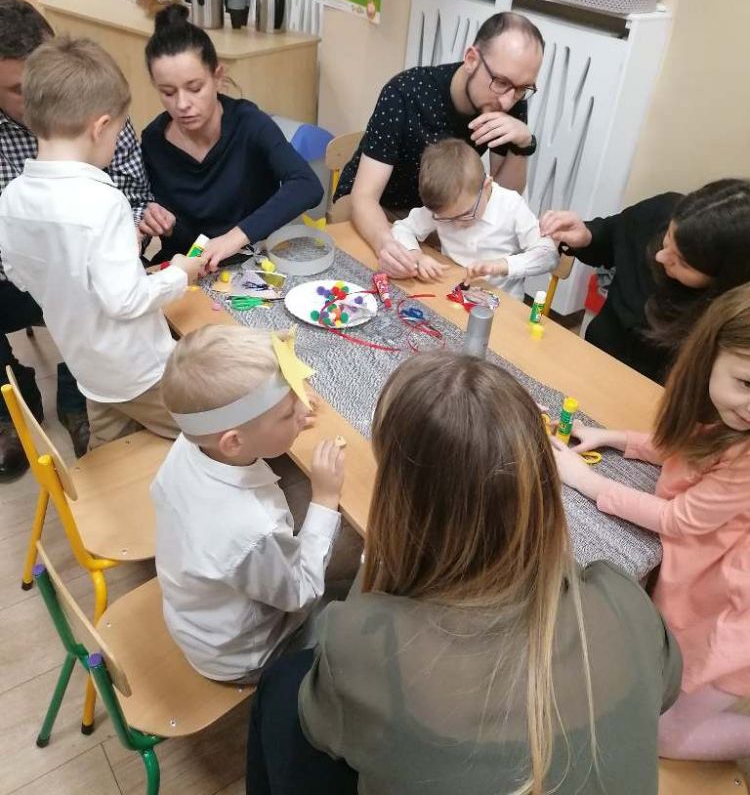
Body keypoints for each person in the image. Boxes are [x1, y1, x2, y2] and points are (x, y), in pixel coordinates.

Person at [247, 353, 682, 795]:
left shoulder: (365, 641)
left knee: (283, 687)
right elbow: (666, 687)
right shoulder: (623, 598)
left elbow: (320, 726)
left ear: (399, 499)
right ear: (540, 483)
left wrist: (376, 564)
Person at [553, 282, 750, 760]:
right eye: (746, 384)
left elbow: (678, 519)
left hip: (733, 604)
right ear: (709, 354)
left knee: (664, 734)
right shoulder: (720, 417)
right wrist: (617, 438)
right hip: (706, 579)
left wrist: (585, 480)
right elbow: (691, 447)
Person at [0, 37, 202, 450]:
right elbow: (125, 300)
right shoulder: (103, 200)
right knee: (208, 433)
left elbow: (19, 274)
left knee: (110, 445)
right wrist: (180, 275)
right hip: (138, 370)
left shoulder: (12, 197)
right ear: (100, 127)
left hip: (87, 367)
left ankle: (105, 486)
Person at [0, 0, 152, 475]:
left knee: (92, 302)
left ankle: (78, 396)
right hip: (19, 275)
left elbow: (132, 189)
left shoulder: (87, 102)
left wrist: (126, 229)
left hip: (77, 275)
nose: (41, 101)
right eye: (20, 90)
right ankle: (11, 402)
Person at [151, 325, 345, 682]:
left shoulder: (192, 443)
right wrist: (325, 498)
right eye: (287, 413)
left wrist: (283, 414)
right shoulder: (252, 530)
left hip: (196, 614)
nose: (301, 409)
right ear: (234, 442)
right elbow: (301, 591)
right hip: (247, 654)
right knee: (354, 602)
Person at [334, 12, 544, 279]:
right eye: (501, 82)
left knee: (445, 281)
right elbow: (364, 196)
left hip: (440, 211)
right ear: (471, 59)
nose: (507, 101)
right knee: (367, 270)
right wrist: (387, 243)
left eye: (522, 89)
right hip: (379, 204)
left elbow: (501, 196)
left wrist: (523, 144)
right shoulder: (407, 92)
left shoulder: (511, 101)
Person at [139, 5, 323, 270]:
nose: (182, 104)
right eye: (168, 92)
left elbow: (307, 185)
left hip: (251, 264)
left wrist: (235, 237)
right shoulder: (154, 141)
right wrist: (155, 219)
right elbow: (162, 220)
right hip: (184, 271)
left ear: (217, 77)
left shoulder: (249, 124)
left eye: (194, 88)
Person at [540, 179, 750, 383]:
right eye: (668, 237)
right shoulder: (658, 212)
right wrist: (587, 236)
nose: (661, 256)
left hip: (651, 390)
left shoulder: (734, 312)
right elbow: (610, 236)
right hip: (592, 356)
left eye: (683, 262)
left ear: (722, 279)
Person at [391, 138, 558, 295]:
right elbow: (402, 228)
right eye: (446, 219)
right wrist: (416, 256)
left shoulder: (511, 206)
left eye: (466, 214)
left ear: (486, 186)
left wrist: (501, 265)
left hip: (501, 300)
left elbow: (548, 255)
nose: (457, 224)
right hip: (453, 291)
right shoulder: (446, 206)